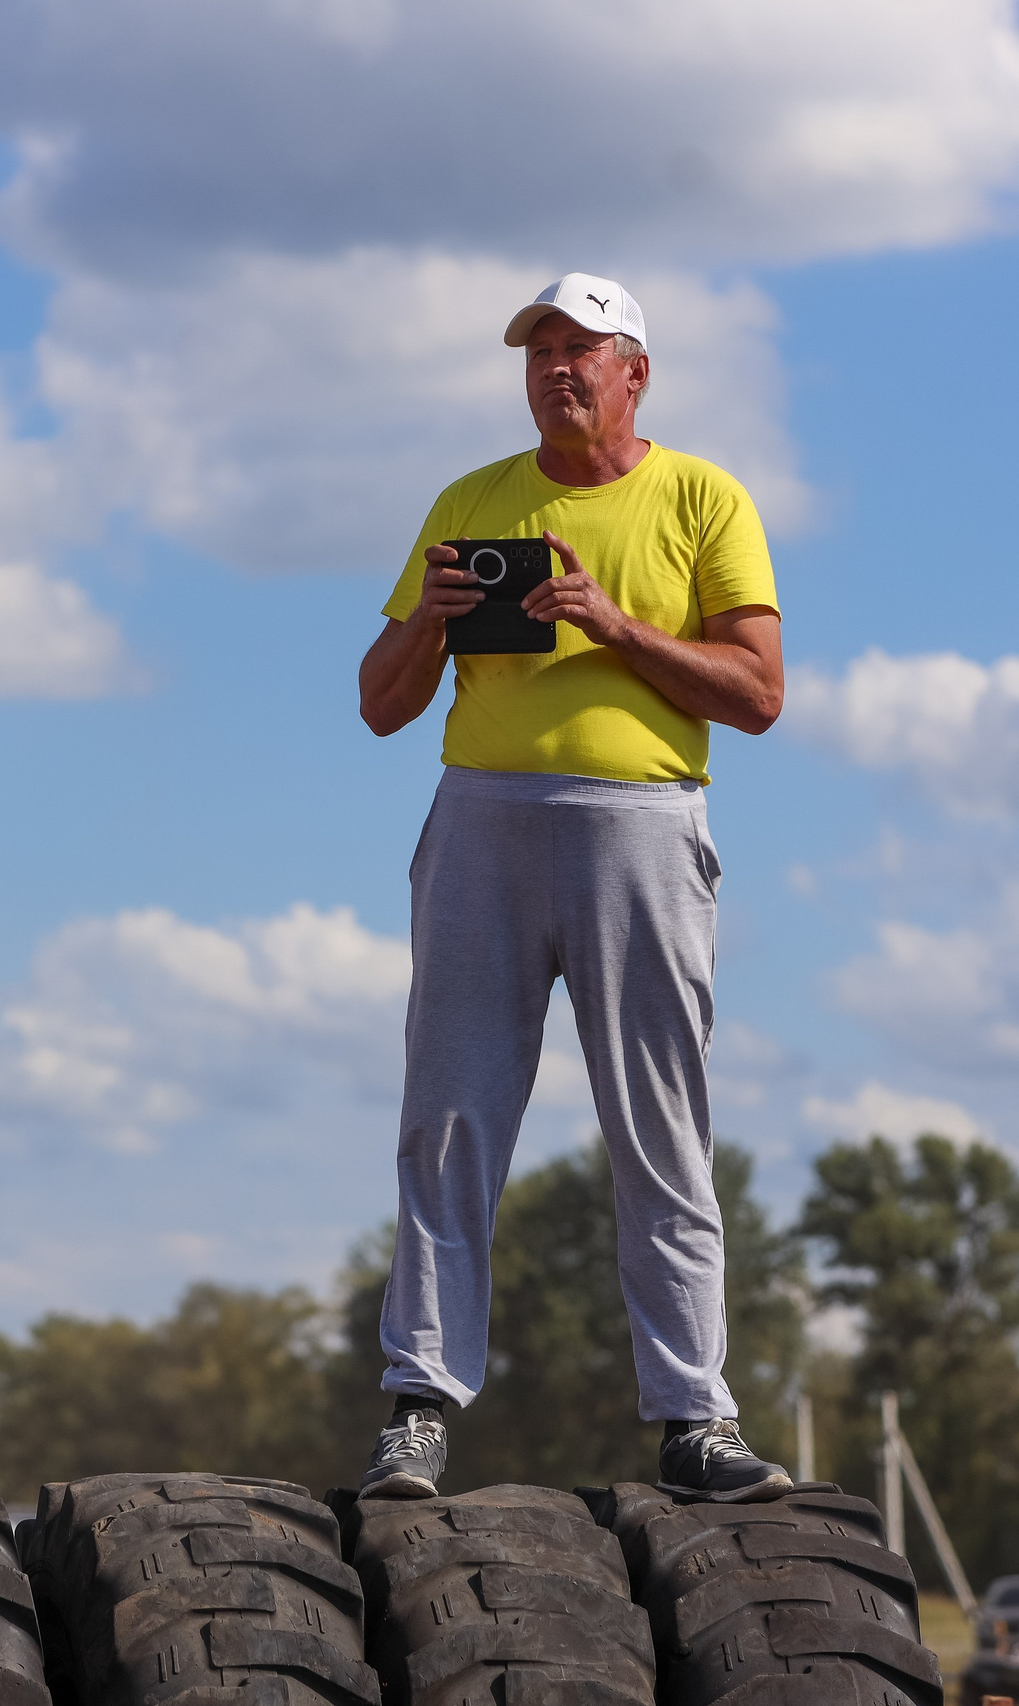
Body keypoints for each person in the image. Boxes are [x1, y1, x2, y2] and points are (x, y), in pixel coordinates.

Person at [353, 273, 791, 1503]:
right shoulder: (471, 498)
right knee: (446, 1115)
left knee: (658, 1123)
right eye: (537, 350)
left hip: (642, 825)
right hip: (481, 818)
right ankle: (420, 1404)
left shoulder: (702, 497)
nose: (554, 368)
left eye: (579, 350)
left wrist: (611, 624)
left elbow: (757, 694)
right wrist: (434, 620)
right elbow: (381, 705)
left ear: (633, 370)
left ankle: (694, 1417)